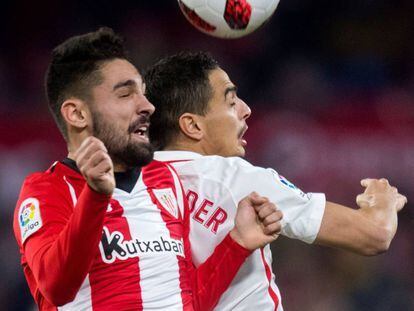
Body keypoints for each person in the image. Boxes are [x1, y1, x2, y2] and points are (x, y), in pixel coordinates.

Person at [13, 29, 283, 310]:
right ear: (78, 114)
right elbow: (57, 287)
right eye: (126, 94)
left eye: (142, 92)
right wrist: (95, 197)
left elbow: (187, 301)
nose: (147, 106)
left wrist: (237, 243)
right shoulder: (48, 191)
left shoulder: (164, 180)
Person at [143, 51, 408, 311]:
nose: (246, 110)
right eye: (231, 101)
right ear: (193, 126)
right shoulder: (234, 177)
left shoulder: (130, 189)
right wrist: (383, 202)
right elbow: (373, 235)